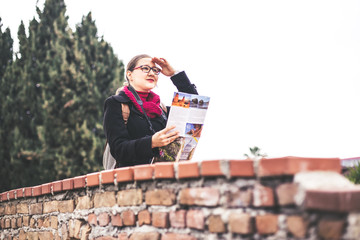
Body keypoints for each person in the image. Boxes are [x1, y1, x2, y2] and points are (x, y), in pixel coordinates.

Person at [103, 54, 198, 167]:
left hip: (162, 177)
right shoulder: (117, 103)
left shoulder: (161, 109)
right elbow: (118, 150)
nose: (152, 73)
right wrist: (151, 142)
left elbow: (194, 107)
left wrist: (174, 74)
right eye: (145, 68)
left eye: (155, 70)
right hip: (131, 180)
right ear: (129, 74)